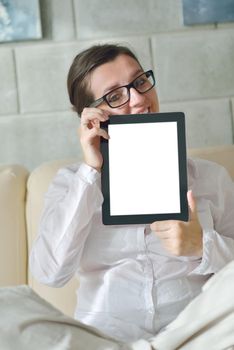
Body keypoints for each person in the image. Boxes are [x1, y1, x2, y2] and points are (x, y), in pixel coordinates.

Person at [29, 43, 234, 343]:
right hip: (106, 339)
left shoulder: (210, 177)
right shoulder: (70, 183)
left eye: (140, 81)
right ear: (90, 116)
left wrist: (201, 246)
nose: (139, 99)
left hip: (196, 335)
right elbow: (49, 273)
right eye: (115, 96)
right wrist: (91, 172)